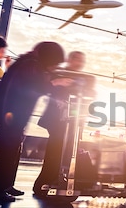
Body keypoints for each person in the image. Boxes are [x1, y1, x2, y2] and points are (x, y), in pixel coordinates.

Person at [0, 42, 72, 202]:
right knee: (7, 152)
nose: (54, 66)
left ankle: (4, 185)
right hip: (9, 114)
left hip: (10, 114)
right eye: (55, 62)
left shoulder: (29, 62)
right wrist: (55, 84)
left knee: (11, 151)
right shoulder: (30, 65)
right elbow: (33, 87)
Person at [33, 51, 89, 197]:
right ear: (70, 59)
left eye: (82, 61)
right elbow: (50, 91)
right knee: (55, 151)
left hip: (71, 121)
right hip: (58, 120)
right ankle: (44, 183)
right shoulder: (60, 74)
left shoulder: (79, 77)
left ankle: (54, 181)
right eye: (78, 60)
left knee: (65, 152)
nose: (80, 63)